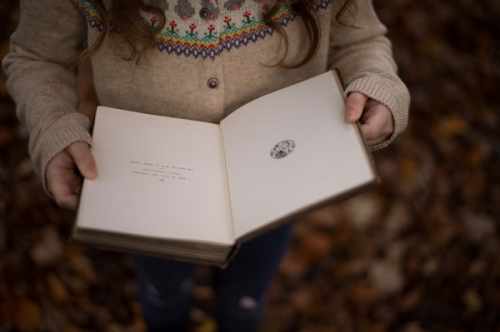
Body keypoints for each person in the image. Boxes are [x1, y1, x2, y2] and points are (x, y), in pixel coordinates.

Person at [2, 0, 410, 331]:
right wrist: (54, 128)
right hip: (147, 190)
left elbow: (360, 39)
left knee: (247, 296)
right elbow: (37, 57)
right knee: (161, 289)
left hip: (277, 184)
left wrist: (377, 82)